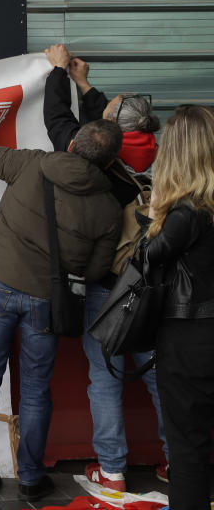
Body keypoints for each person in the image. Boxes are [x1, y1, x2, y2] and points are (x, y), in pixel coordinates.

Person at [0, 84, 123, 502]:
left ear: (72, 143)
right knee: (35, 387)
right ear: (109, 162)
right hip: (47, 303)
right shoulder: (107, 208)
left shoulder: (34, 164)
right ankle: (30, 477)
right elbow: (97, 270)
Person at [43, 43, 168, 491]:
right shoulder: (161, 158)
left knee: (106, 378)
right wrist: (84, 84)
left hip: (106, 287)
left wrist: (59, 75)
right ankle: (178, 461)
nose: (102, 106)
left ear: (110, 130)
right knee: (157, 376)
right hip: (154, 288)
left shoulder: (100, 163)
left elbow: (62, 126)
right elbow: (111, 122)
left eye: (107, 109)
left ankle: (112, 471)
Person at [143, 105, 214, 510]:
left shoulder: (185, 214)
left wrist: (154, 215)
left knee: (187, 453)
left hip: (191, 341)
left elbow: (146, 260)